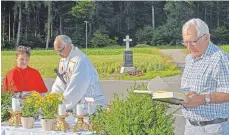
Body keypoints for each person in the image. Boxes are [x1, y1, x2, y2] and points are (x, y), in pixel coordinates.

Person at [181, 18, 229, 135]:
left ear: (206, 37)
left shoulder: (220, 59)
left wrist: (203, 99)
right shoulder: (189, 59)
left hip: (213, 129)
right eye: (185, 42)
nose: (189, 47)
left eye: (193, 42)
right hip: (190, 126)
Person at [51, 35, 105, 113]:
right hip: (76, 104)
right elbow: (59, 83)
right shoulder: (64, 59)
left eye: (60, 50)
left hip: (90, 104)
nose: (58, 53)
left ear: (68, 46)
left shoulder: (81, 61)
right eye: (56, 51)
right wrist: (52, 99)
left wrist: (59, 105)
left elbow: (76, 89)